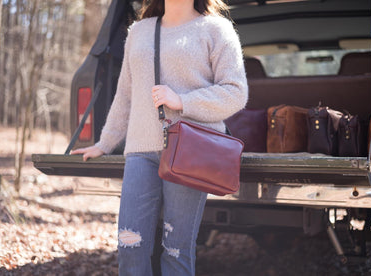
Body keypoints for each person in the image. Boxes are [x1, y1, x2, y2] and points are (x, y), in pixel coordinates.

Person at [71, 0, 248, 274]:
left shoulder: (217, 29)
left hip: (192, 152)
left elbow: (235, 92)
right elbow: (125, 96)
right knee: (130, 245)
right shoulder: (139, 31)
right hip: (141, 151)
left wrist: (182, 101)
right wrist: (105, 143)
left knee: (176, 250)